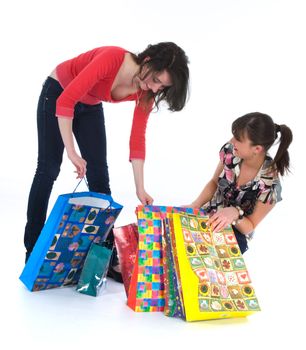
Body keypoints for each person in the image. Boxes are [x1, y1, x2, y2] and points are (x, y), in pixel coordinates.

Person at [24, 42, 190, 282]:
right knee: (48, 169)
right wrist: (71, 151)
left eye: (162, 86)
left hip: (89, 104)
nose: (154, 88)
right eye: (155, 79)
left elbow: (137, 139)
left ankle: (104, 258)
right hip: (59, 91)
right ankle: (32, 251)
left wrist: (139, 188)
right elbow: (66, 101)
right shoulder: (112, 58)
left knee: (100, 179)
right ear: (147, 60)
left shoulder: (146, 91)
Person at [186, 112, 293, 254]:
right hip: (209, 214)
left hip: (235, 232)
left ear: (257, 149)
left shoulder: (270, 186)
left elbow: (251, 225)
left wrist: (235, 214)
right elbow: (214, 182)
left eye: (238, 139)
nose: (232, 142)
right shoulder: (231, 152)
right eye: (234, 136)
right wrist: (195, 205)